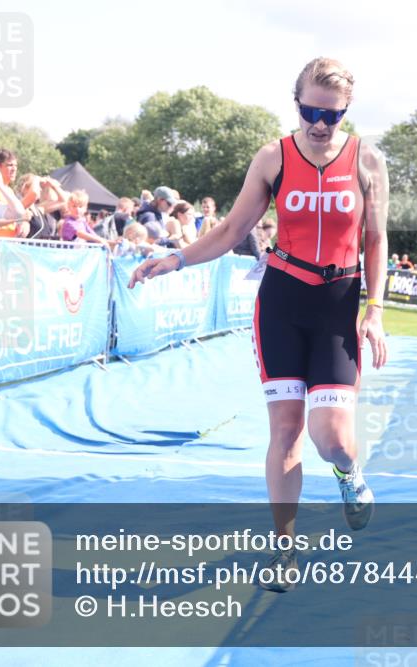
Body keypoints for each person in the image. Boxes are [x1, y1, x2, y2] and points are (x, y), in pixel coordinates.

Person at [129, 57, 388, 592]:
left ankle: (347, 473)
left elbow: (376, 240)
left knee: (333, 439)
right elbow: (232, 228)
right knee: (287, 430)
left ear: (346, 112)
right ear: (297, 104)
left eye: (332, 115)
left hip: (339, 303)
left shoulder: (368, 161)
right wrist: (175, 259)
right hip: (283, 302)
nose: (320, 124)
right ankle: (284, 549)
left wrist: (376, 311)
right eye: (310, 111)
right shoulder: (274, 157)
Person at [0, 148, 33, 238]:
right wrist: (18, 218)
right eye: (10, 165)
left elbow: (17, 217)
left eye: (15, 166)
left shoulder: (9, 190)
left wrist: (23, 223)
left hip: (7, 245)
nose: (14, 169)